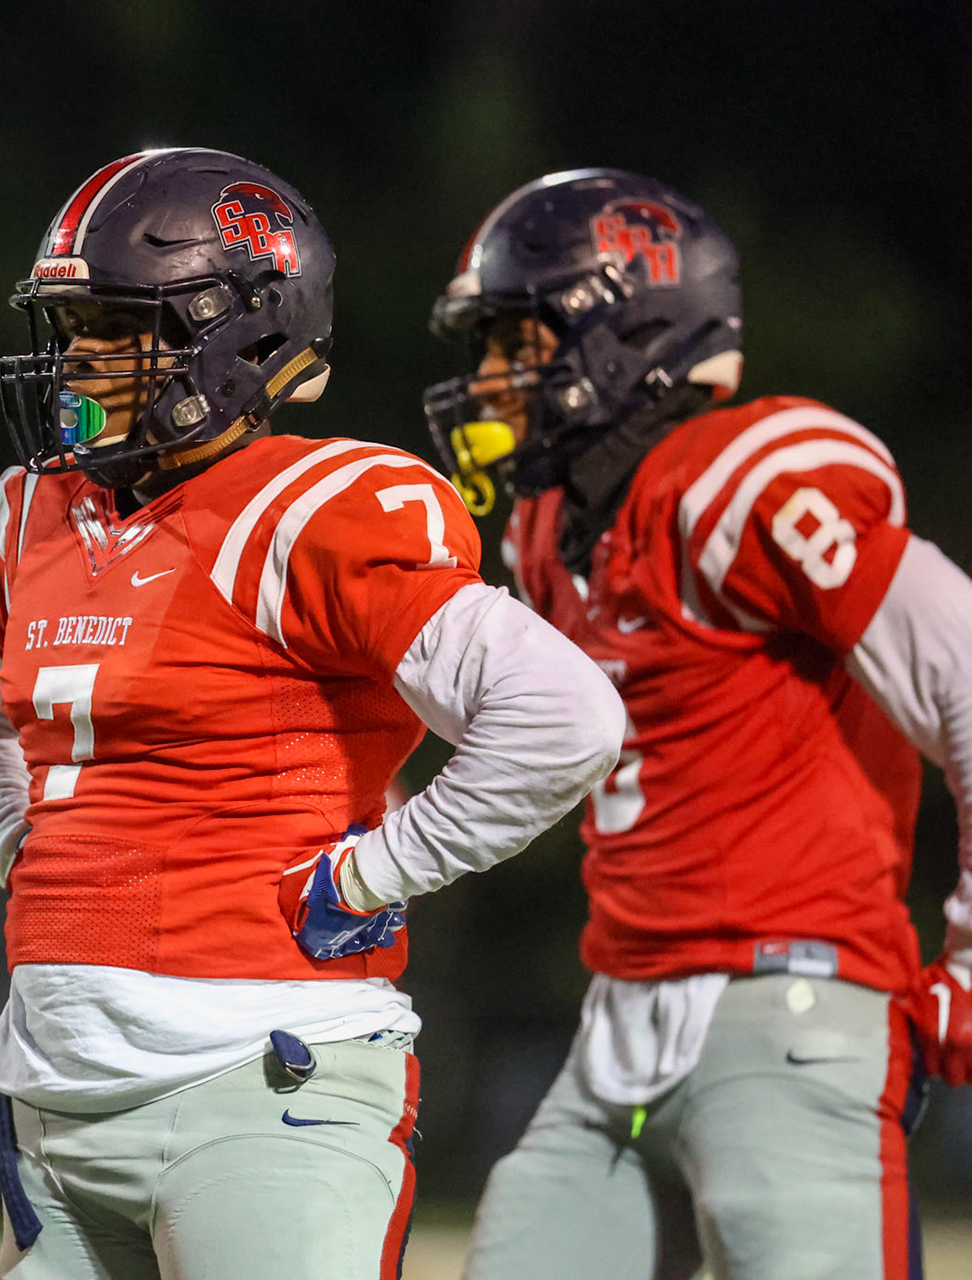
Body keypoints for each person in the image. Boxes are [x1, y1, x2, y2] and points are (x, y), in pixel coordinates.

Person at [0, 147, 623, 1280]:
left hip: (261, 1074)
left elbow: (565, 715)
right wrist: (20, 840)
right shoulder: (40, 515)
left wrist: (374, 873)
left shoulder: (316, 510)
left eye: (116, 323)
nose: (80, 359)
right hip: (50, 1088)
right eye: (75, 325)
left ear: (234, 335)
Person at [425, 168, 972, 1280]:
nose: (489, 382)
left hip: (793, 1008)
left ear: (621, 337)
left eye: (513, 341)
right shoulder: (551, 528)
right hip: (616, 1034)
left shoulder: (741, 480)